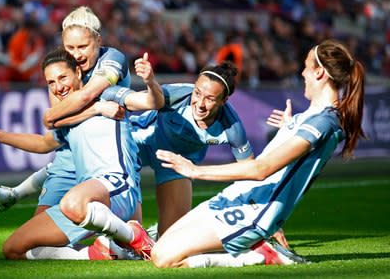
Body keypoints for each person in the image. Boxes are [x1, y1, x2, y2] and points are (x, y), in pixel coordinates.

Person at [151, 39, 366, 268]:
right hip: (238, 197)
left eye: (306, 66)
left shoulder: (324, 122)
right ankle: (255, 249)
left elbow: (261, 170)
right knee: (160, 247)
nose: (302, 73)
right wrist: (290, 125)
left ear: (320, 73)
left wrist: (194, 170)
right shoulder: (310, 119)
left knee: (163, 257)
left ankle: (258, 255)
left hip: (254, 210)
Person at [0, 47, 162, 260]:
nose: (58, 87)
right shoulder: (68, 119)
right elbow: (43, 143)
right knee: (14, 249)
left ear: (79, 73)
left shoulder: (107, 95)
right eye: (51, 83)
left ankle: (134, 235)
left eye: (62, 77)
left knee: (71, 203)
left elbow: (151, 102)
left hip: (116, 188)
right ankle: (97, 252)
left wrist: (149, 81)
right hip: (88, 197)